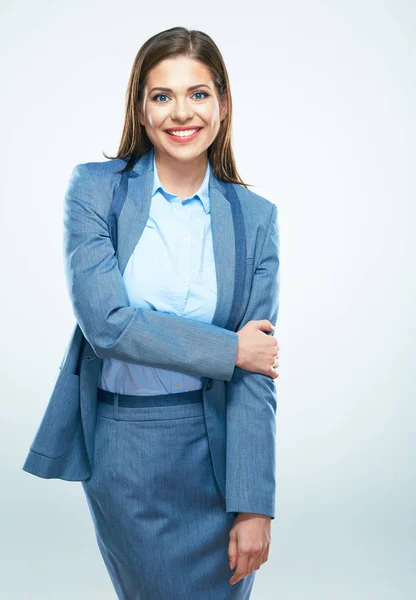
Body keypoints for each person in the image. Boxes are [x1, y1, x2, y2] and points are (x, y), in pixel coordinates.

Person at [23, 26, 280, 599]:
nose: (180, 112)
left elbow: (256, 378)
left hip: (219, 451)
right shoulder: (95, 191)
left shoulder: (256, 217)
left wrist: (254, 501)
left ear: (222, 103)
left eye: (198, 93)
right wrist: (230, 349)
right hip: (128, 449)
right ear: (140, 108)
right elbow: (108, 325)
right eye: (162, 96)